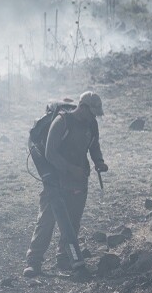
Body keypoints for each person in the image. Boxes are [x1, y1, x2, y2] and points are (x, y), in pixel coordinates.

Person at [23, 91, 107, 277]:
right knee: (47, 220)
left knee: (73, 220)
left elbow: (94, 146)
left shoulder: (91, 124)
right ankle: (34, 261)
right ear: (82, 107)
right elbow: (49, 153)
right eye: (92, 112)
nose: (94, 117)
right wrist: (69, 169)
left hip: (79, 179)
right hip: (55, 178)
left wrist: (99, 162)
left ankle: (65, 258)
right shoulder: (62, 122)